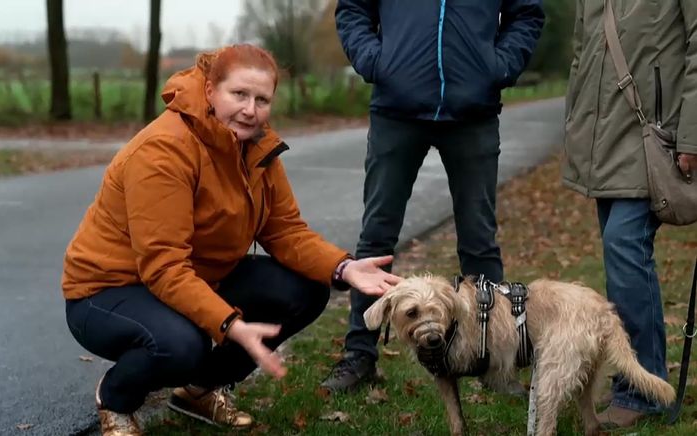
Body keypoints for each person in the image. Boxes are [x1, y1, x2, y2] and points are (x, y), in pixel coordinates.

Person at [61, 44, 402, 435]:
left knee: (307, 288)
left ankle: (199, 389)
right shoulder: (163, 151)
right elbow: (163, 266)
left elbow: (285, 230)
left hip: (194, 277)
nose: (250, 109)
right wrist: (230, 324)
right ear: (209, 91)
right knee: (182, 346)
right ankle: (116, 400)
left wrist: (343, 267)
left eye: (262, 99)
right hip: (109, 290)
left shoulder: (257, 146)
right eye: (238, 94)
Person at [321, 0, 545, 392]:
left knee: (479, 240)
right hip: (397, 111)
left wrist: (500, 65)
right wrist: (376, 62)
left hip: (472, 114)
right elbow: (353, 9)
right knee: (376, 237)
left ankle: (491, 360)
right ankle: (360, 356)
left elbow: (526, 12)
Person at [562, 0, 697, 430]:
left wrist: (692, 136)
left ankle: (641, 389)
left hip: (650, 135)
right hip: (603, 141)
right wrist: (577, 133)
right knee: (622, 259)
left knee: (623, 246)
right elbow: (582, 56)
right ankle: (642, 379)